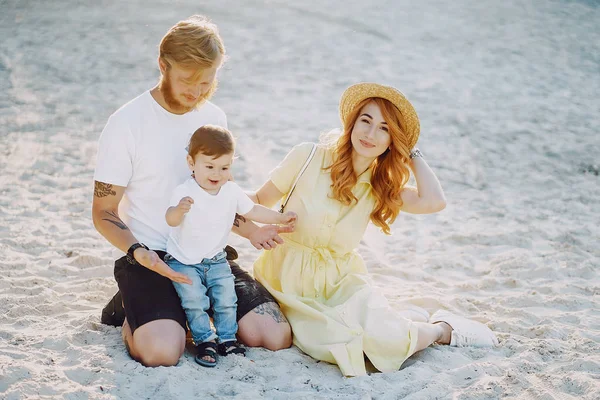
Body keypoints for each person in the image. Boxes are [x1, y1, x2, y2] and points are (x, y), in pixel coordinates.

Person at [248, 82, 499, 377]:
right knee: (331, 343)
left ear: (392, 141)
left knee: (385, 339)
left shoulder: (380, 185)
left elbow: (434, 201)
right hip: (285, 278)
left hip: (341, 281)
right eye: (365, 121)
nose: (370, 134)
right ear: (352, 123)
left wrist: (412, 153)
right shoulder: (308, 157)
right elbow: (256, 201)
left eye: (384, 128)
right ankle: (403, 321)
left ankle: (442, 330)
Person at [92, 15, 292, 367]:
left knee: (272, 336)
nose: (197, 91)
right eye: (187, 80)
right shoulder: (126, 123)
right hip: (149, 256)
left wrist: (252, 229)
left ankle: (175, 308)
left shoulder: (213, 116)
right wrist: (138, 252)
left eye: (207, 81)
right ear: (163, 65)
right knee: (162, 352)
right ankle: (131, 310)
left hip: (207, 256)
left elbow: (219, 193)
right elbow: (103, 211)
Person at [164, 125, 297, 367]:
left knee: (226, 299)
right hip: (184, 261)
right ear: (191, 162)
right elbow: (170, 220)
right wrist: (179, 210)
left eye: (224, 167)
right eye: (209, 166)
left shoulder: (230, 190)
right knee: (195, 301)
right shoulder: (185, 191)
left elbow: (252, 210)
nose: (217, 173)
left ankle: (226, 339)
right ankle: (205, 340)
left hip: (216, 260)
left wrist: (278, 218)